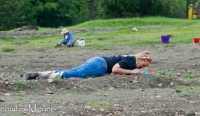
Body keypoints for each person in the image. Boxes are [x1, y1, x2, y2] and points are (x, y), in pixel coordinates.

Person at [23, 51, 153, 82]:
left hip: (98, 60)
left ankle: (39, 74)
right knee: (76, 74)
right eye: (142, 65)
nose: (141, 67)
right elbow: (115, 69)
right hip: (101, 65)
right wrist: (133, 72)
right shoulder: (131, 61)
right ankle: (43, 76)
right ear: (140, 59)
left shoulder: (129, 59)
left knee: (72, 71)